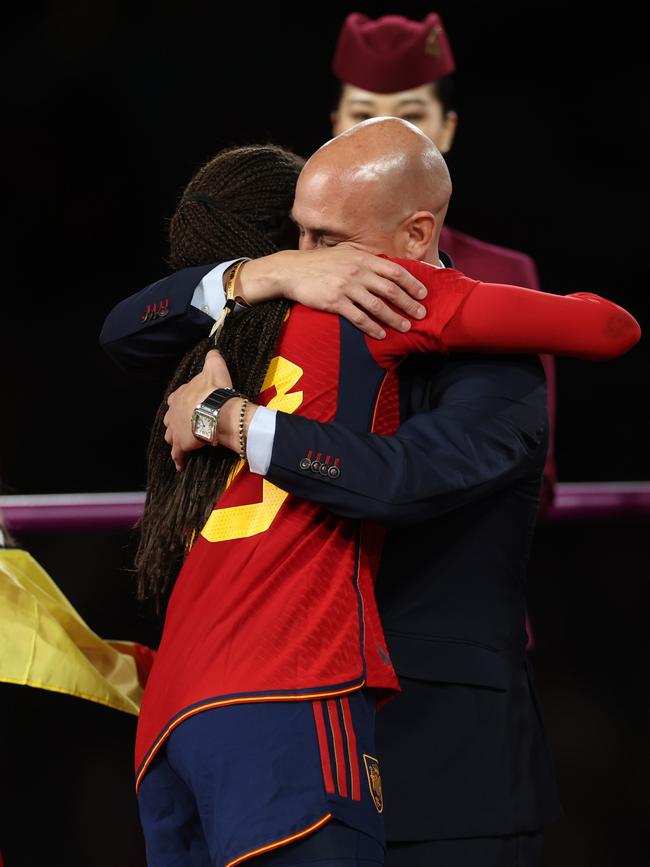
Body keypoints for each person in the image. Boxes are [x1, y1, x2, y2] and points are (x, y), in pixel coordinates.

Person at [130, 123, 639, 867]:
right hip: (293, 735)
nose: (306, 264)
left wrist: (231, 418)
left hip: (443, 767)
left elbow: (398, 480)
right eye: (292, 238)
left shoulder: (494, 364)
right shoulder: (289, 314)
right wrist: (254, 275)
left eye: (324, 240)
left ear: (414, 235)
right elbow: (125, 331)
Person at [330, 11, 558, 514]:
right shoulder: (288, 266)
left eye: (411, 115)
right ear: (334, 130)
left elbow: (534, 472)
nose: (385, 137)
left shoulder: (504, 275)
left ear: (447, 129)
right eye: (362, 114)